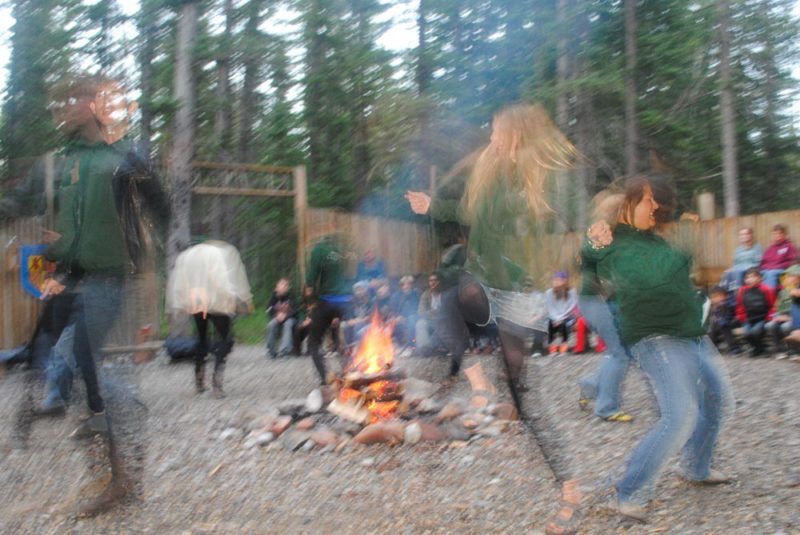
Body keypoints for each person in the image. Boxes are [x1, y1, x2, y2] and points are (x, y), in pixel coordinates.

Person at [407, 103, 579, 534]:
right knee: (451, 302)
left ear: (516, 135)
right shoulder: (492, 173)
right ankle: (480, 385)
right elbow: (468, 213)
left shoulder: (534, 179)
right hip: (483, 281)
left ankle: (570, 490)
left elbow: (542, 224)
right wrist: (433, 206)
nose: (491, 139)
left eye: (498, 132)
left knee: (525, 402)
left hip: (518, 292)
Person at [38, 75, 169, 517]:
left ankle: (122, 454)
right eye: (65, 101)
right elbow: (77, 227)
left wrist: (143, 257)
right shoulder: (72, 161)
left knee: (79, 363)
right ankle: (113, 473)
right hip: (79, 277)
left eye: (77, 99)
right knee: (69, 368)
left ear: (97, 105)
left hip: (113, 278)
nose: (67, 108)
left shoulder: (125, 154)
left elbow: (159, 206)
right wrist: (62, 261)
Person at [585, 175, 735, 523]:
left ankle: (696, 468)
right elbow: (648, 277)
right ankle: (629, 491)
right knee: (680, 416)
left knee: (717, 402)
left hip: (691, 333)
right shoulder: (613, 244)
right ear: (627, 207)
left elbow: (678, 274)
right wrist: (684, 240)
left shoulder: (653, 240)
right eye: (648, 200)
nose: (656, 206)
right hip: (656, 337)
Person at [167, 240, 253, 397]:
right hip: (216, 302)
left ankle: (199, 381)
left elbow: (179, 284)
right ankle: (217, 384)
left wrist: (180, 303)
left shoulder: (187, 258)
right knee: (226, 339)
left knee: (202, 338)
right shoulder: (216, 255)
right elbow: (220, 280)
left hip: (197, 302)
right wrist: (235, 297)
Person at [305, 233, 350, 385]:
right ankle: (349, 372)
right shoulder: (339, 249)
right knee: (337, 338)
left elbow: (311, 281)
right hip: (344, 301)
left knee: (313, 342)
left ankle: (325, 377)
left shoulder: (318, 250)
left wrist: (310, 302)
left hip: (328, 300)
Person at [735, 267, 775, 357]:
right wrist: (741, 316)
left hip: (761, 318)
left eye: (753, 277)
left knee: (756, 331)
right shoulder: (742, 290)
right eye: (747, 277)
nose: (750, 279)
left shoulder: (766, 289)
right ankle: (757, 349)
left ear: (760, 278)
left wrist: (769, 317)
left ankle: (760, 349)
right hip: (747, 319)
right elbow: (740, 305)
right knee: (747, 334)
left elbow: (772, 305)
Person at [765, 264, 800, 358]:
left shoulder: (795, 290)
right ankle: (779, 351)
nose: (787, 278)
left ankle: (794, 351)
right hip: (785, 317)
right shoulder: (783, 292)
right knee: (771, 325)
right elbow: (778, 308)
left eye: (791, 276)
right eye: (787, 276)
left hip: (794, 319)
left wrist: (789, 318)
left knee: (786, 327)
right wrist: (777, 316)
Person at [544, 271, 578, 354]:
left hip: (567, 316)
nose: (556, 281)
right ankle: (553, 346)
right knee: (550, 324)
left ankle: (564, 345)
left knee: (564, 324)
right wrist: (556, 319)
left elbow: (572, 307)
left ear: (565, 281)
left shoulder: (572, 292)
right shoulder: (548, 293)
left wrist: (561, 319)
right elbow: (549, 308)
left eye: (559, 280)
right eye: (555, 279)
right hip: (553, 317)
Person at [265, 278, 296, 358]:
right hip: (277, 318)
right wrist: (276, 316)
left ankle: (284, 351)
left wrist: (285, 316)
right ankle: (271, 351)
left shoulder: (291, 296)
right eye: (281, 285)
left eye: (285, 286)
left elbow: (295, 310)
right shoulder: (273, 296)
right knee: (271, 324)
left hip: (290, 318)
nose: (283, 287)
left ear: (288, 288)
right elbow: (268, 309)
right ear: (277, 287)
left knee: (288, 324)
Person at [759, 224, 797, 289]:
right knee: (756, 275)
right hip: (768, 270)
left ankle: (770, 297)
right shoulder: (770, 248)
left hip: (782, 270)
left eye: (780, 233)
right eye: (775, 234)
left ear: (785, 235)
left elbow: (794, 260)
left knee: (771, 273)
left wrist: (779, 267)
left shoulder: (789, 246)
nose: (777, 235)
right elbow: (763, 261)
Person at [416, 272, 444, 354]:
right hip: (430, 321)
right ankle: (423, 348)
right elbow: (420, 312)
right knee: (420, 323)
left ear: (439, 282)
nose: (433, 282)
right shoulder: (426, 294)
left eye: (435, 280)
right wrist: (435, 312)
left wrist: (430, 312)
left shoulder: (445, 294)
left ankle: (429, 347)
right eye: (430, 281)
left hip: (443, 322)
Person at [708, 285, 740, 355]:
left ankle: (734, 347)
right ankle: (712, 347)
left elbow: (728, 316)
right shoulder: (715, 306)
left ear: (725, 296)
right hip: (722, 322)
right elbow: (716, 317)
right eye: (713, 297)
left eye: (718, 296)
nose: (715, 299)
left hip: (734, 321)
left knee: (724, 327)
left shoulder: (727, 304)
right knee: (712, 328)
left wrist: (721, 322)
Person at [390, 274, 420, 347]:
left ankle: (411, 344)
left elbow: (415, 308)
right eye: (403, 284)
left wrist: (404, 317)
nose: (406, 286)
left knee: (411, 319)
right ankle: (396, 343)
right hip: (399, 317)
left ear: (411, 285)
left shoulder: (415, 294)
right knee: (391, 321)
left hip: (413, 316)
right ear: (401, 286)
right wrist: (395, 317)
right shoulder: (396, 296)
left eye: (408, 284)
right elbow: (393, 309)